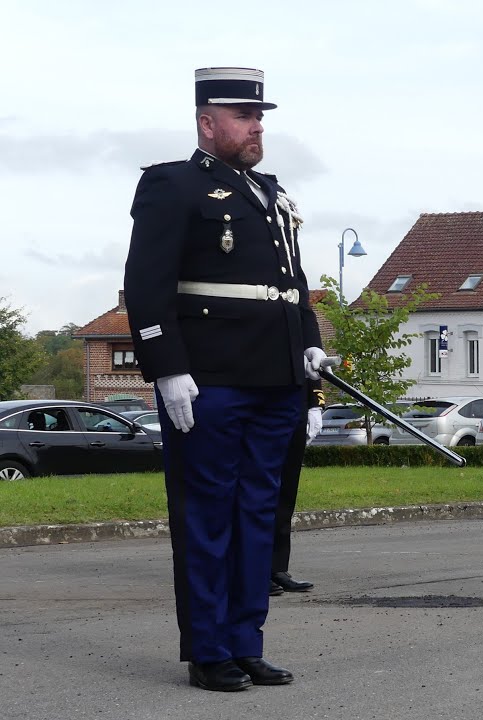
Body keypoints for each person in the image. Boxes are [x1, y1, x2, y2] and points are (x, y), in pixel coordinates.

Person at [123, 67, 325, 690]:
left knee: (258, 516)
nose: (257, 126)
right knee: (207, 516)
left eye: (259, 116)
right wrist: (167, 368)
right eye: (244, 116)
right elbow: (146, 285)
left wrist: (311, 356)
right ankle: (209, 650)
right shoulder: (173, 185)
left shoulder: (271, 194)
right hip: (210, 380)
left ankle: (246, 642)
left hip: (276, 380)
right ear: (207, 123)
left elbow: (293, 287)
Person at [271, 378, 325, 595]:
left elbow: (310, 360)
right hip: (261, 393)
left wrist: (315, 403)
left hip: (296, 396)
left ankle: (277, 566)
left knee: (287, 489)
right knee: (256, 491)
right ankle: (251, 568)